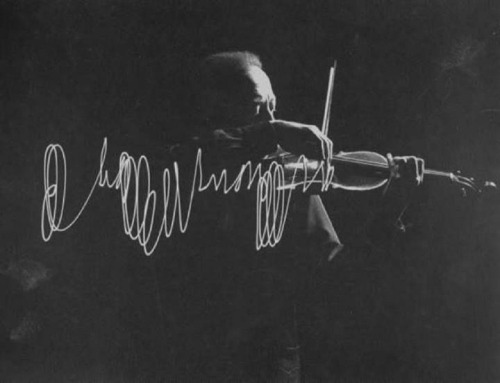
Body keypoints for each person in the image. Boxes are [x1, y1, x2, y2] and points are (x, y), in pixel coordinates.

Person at [151, 51, 423, 382]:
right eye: (256, 106)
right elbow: (188, 158)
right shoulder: (182, 162)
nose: (270, 117)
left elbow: (337, 277)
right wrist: (273, 130)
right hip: (189, 353)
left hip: (270, 360)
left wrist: (390, 211)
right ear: (215, 107)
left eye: (273, 108)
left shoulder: (288, 183)